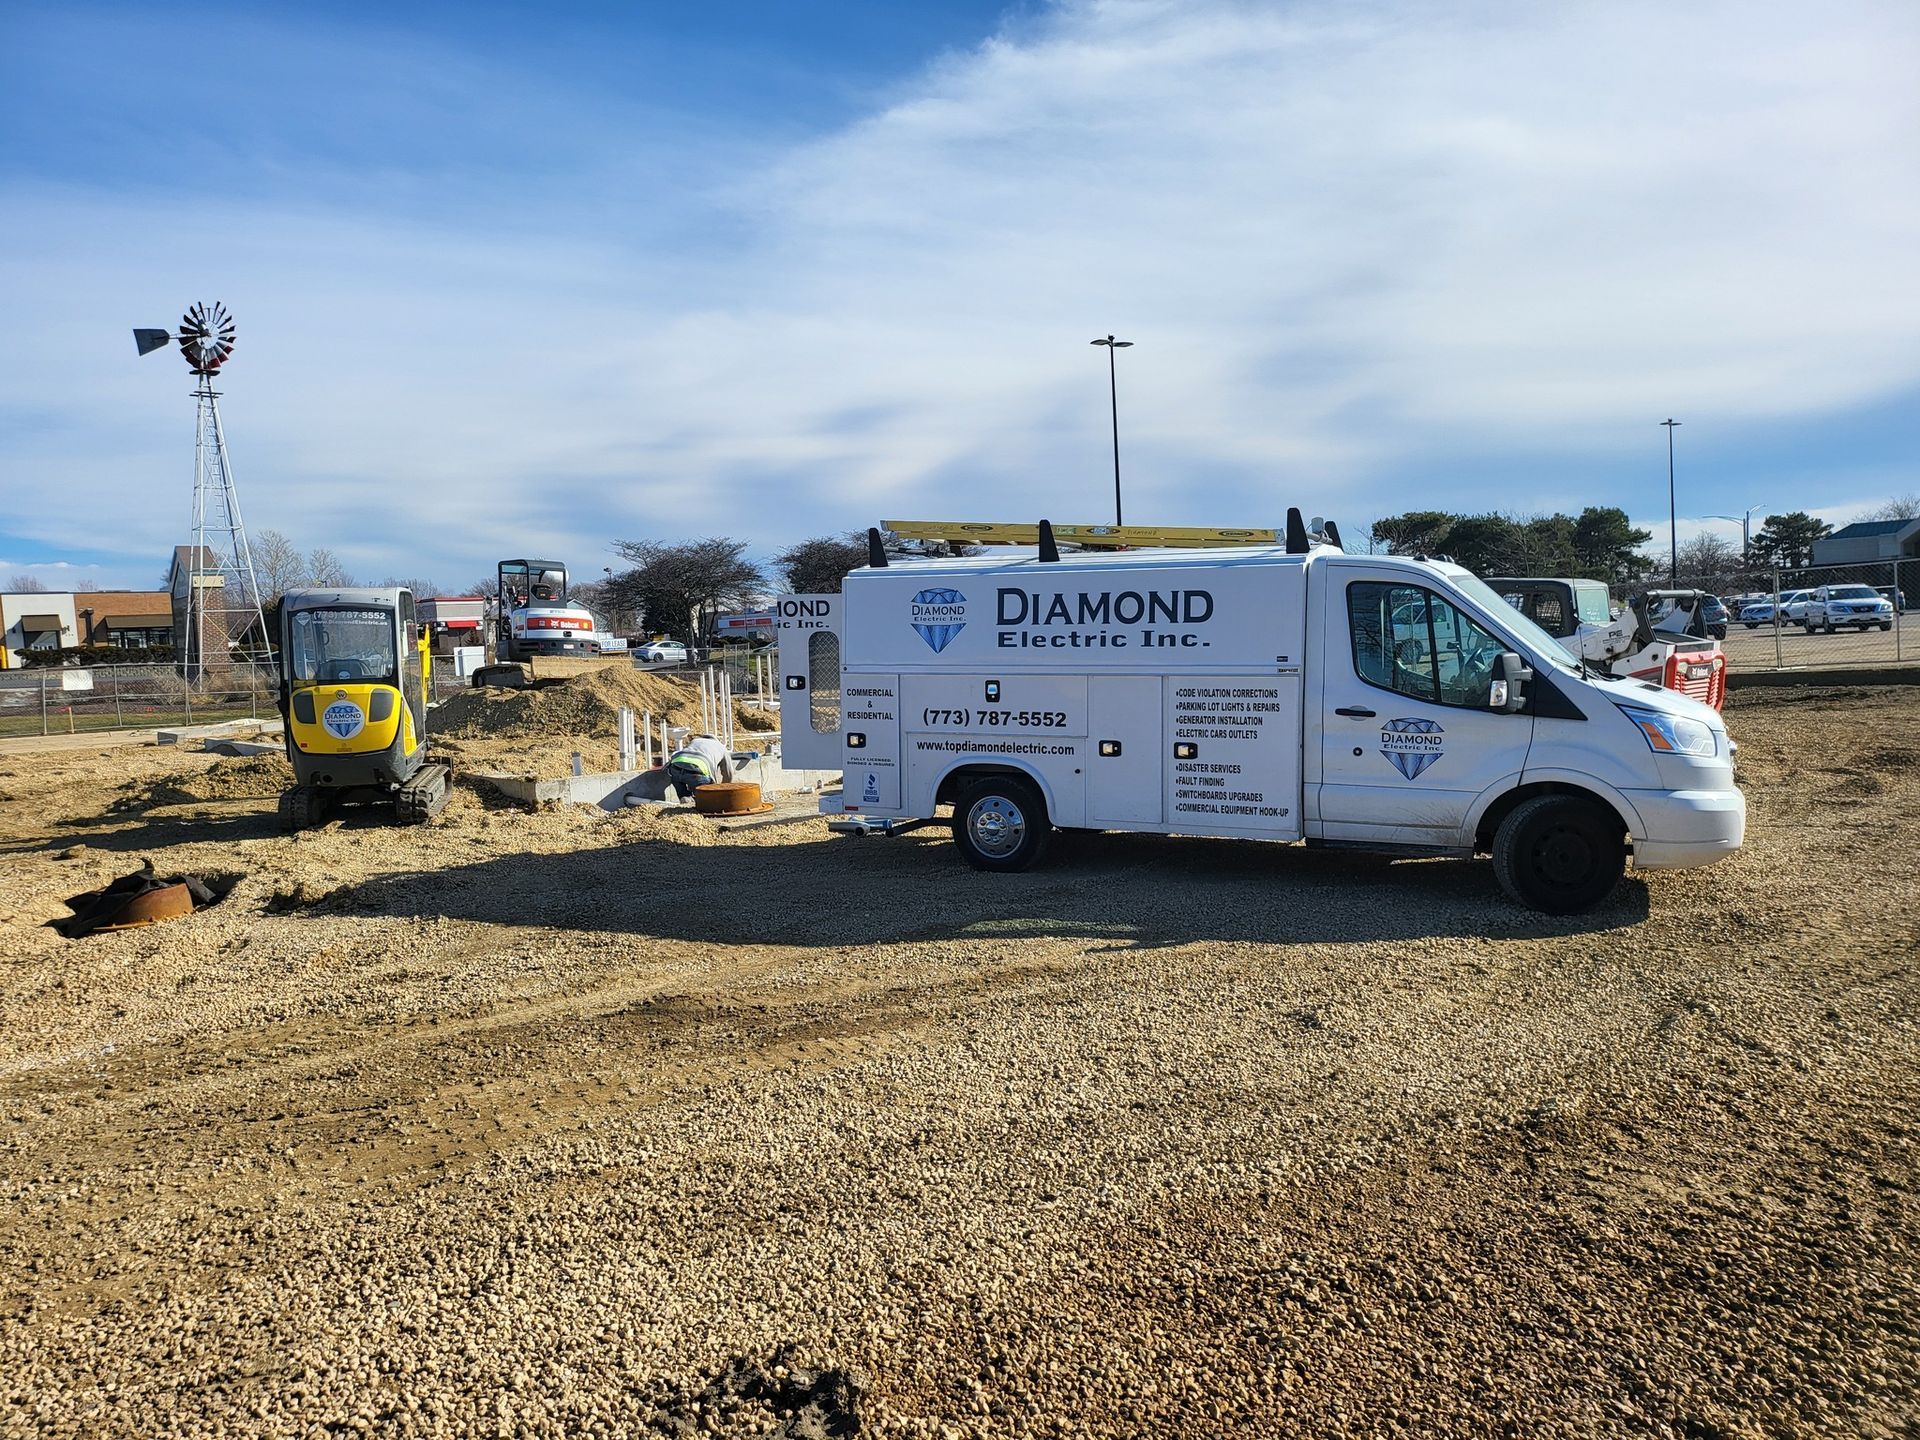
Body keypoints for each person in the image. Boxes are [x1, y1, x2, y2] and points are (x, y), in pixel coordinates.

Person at [665, 734, 733, 801]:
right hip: (698, 771)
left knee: (683, 791)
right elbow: (728, 773)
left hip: (675, 767)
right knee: (708, 800)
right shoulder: (721, 747)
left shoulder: (696, 740)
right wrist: (723, 789)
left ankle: (685, 798)